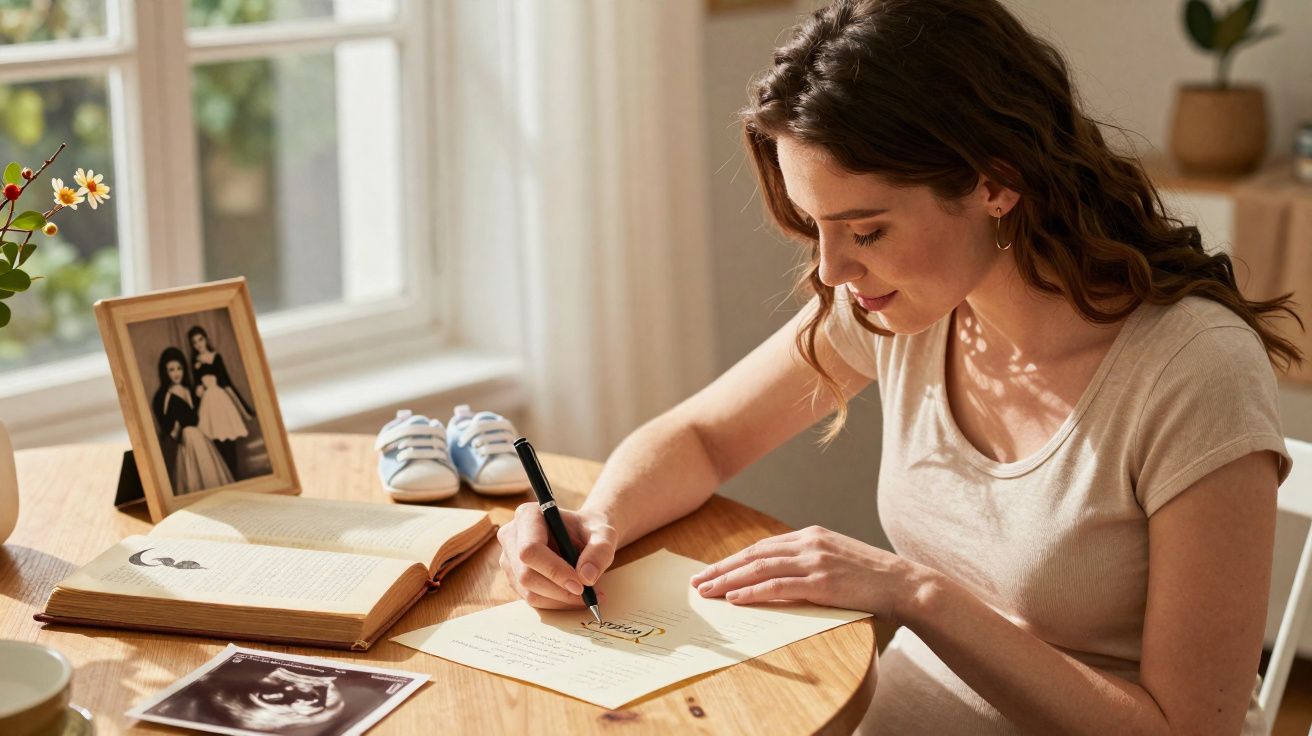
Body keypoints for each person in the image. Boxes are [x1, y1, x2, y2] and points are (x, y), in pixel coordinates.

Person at [495, 1, 1299, 733]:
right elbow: (705, 435)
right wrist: (599, 520)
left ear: (996, 180)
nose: (833, 272)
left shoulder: (1194, 374)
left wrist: (913, 593)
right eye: (814, 227)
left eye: (866, 231)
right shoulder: (907, 307)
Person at [150, 347, 233, 494]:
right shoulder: (165, 396)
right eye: (171, 370)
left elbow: (197, 416)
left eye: (179, 368)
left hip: (200, 435)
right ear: (165, 372)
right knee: (194, 475)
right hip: (187, 439)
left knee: (209, 471)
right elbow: (171, 430)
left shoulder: (188, 390)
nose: (176, 373)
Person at [188, 325, 254, 479]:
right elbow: (197, 385)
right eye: (194, 342)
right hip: (206, 404)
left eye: (200, 340)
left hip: (219, 400)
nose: (199, 344)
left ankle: (235, 474)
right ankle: (227, 476)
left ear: (206, 339)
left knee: (228, 436)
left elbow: (226, 382)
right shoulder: (195, 362)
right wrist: (199, 389)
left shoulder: (216, 357)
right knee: (215, 439)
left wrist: (243, 407)